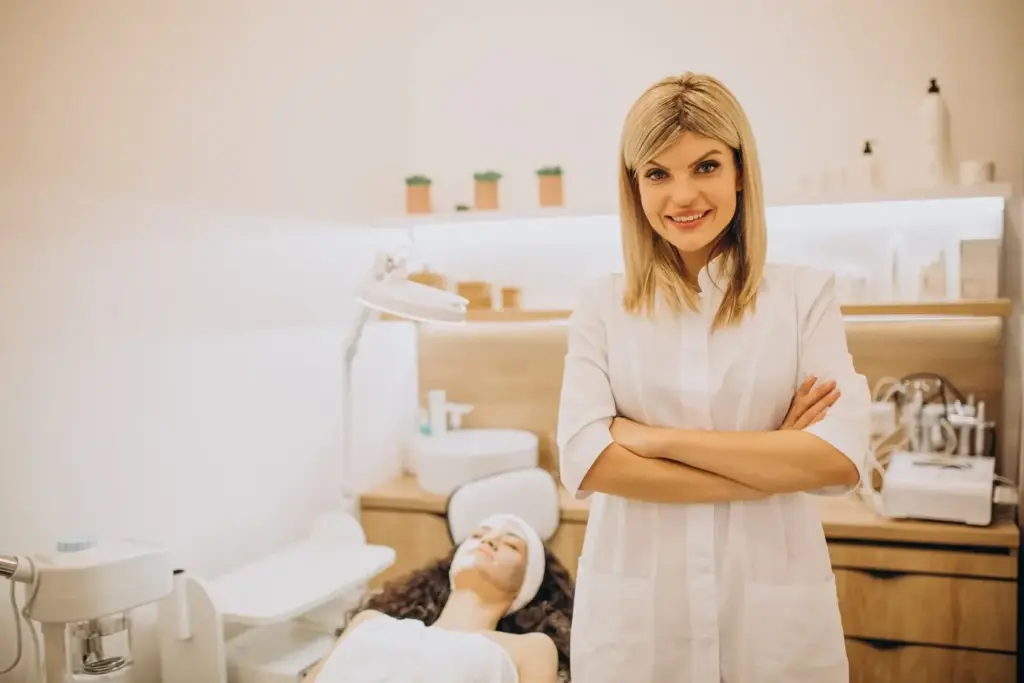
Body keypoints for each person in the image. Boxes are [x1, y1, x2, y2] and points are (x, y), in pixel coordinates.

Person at [557, 72, 871, 683]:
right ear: (634, 186)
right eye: (658, 173)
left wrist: (652, 439)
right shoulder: (602, 306)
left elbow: (837, 460)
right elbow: (588, 464)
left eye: (705, 166)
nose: (683, 196)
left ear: (740, 171)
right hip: (641, 626)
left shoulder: (803, 297)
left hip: (769, 622)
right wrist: (772, 462)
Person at [306, 514, 573, 683]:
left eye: (511, 545)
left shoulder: (529, 649)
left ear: (527, 586)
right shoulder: (370, 623)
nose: (488, 541)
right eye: (478, 535)